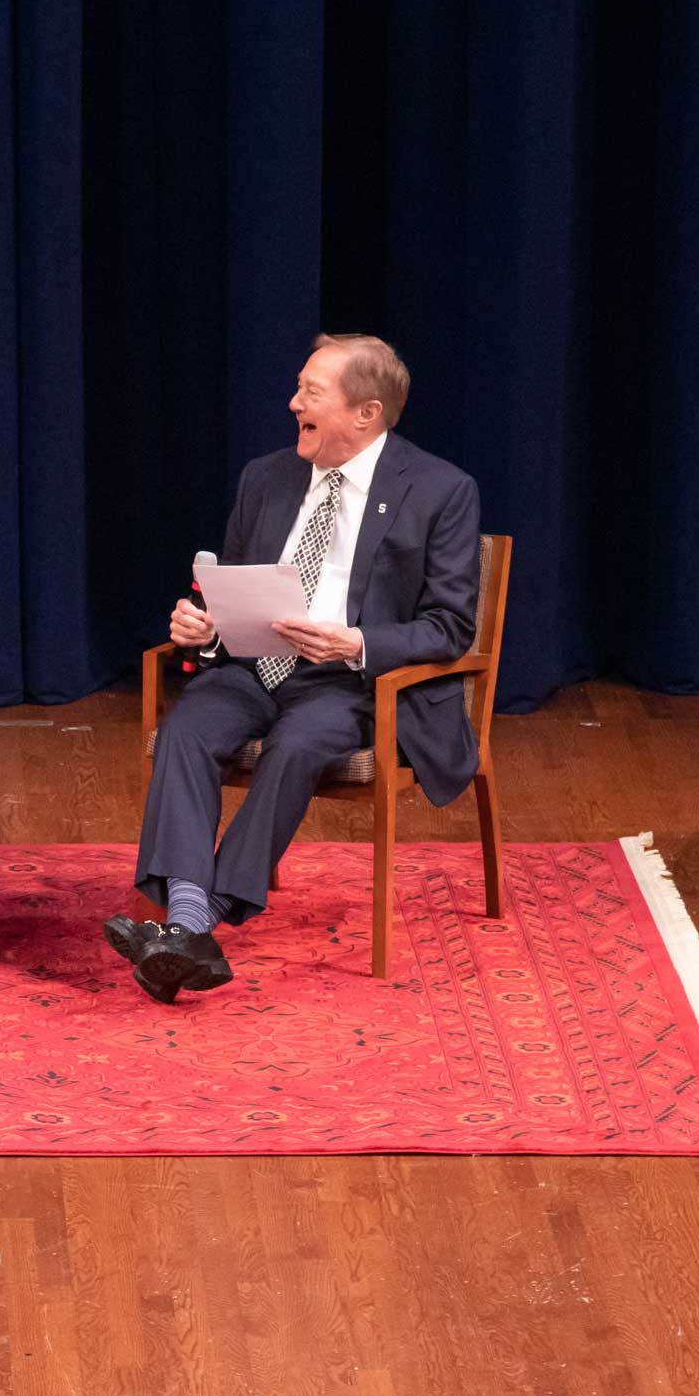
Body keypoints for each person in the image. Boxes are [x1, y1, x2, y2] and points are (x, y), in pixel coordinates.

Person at [104, 333, 480, 1003]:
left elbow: (451, 628)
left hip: (350, 682)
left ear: (364, 413)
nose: (292, 402)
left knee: (298, 745)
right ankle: (191, 930)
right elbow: (232, 584)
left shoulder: (439, 490)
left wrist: (354, 642)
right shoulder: (266, 476)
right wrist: (203, 623)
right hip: (252, 666)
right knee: (187, 730)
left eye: (310, 392)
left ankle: (191, 921)